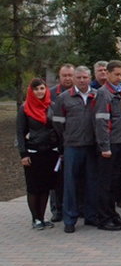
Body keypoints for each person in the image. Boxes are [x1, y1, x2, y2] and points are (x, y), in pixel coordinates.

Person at [52, 66, 98, 233]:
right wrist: (68, 136)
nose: (82, 80)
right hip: (72, 146)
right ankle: (70, 219)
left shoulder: (97, 96)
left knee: (92, 183)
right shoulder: (64, 98)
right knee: (70, 184)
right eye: (78, 77)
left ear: (90, 78)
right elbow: (57, 123)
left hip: (92, 146)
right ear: (74, 79)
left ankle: (91, 216)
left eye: (85, 77)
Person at [93, 60, 121, 231]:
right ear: (107, 74)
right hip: (109, 146)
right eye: (116, 74)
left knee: (116, 182)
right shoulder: (103, 94)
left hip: (120, 142)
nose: (119, 77)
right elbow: (101, 122)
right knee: (106, 183)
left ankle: (113, 214)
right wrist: (104, 146)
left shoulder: (120, 92)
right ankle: (104, 218)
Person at [16, 78, 59, 230]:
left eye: (42, 88)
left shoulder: (52, 106)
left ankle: (42, 216)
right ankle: (35, 218)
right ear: (31, 91)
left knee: (46, 186)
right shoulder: (25, 108)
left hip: (50, 152)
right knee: (34, 187)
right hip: (33, 153)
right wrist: (23, 154)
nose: (39, 92)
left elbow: (57, 128)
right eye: (36, 89)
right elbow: (20, 133)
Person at [48, 63, 74, 223]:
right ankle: (57, 210)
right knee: (56, 179)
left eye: (70, 75)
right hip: (55, 141)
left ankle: (74, 208)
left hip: (74, 141)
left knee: (73, 178)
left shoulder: (80, 92)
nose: (67, 78)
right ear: (59, 76)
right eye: (64, 75)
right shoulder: (51, 94)